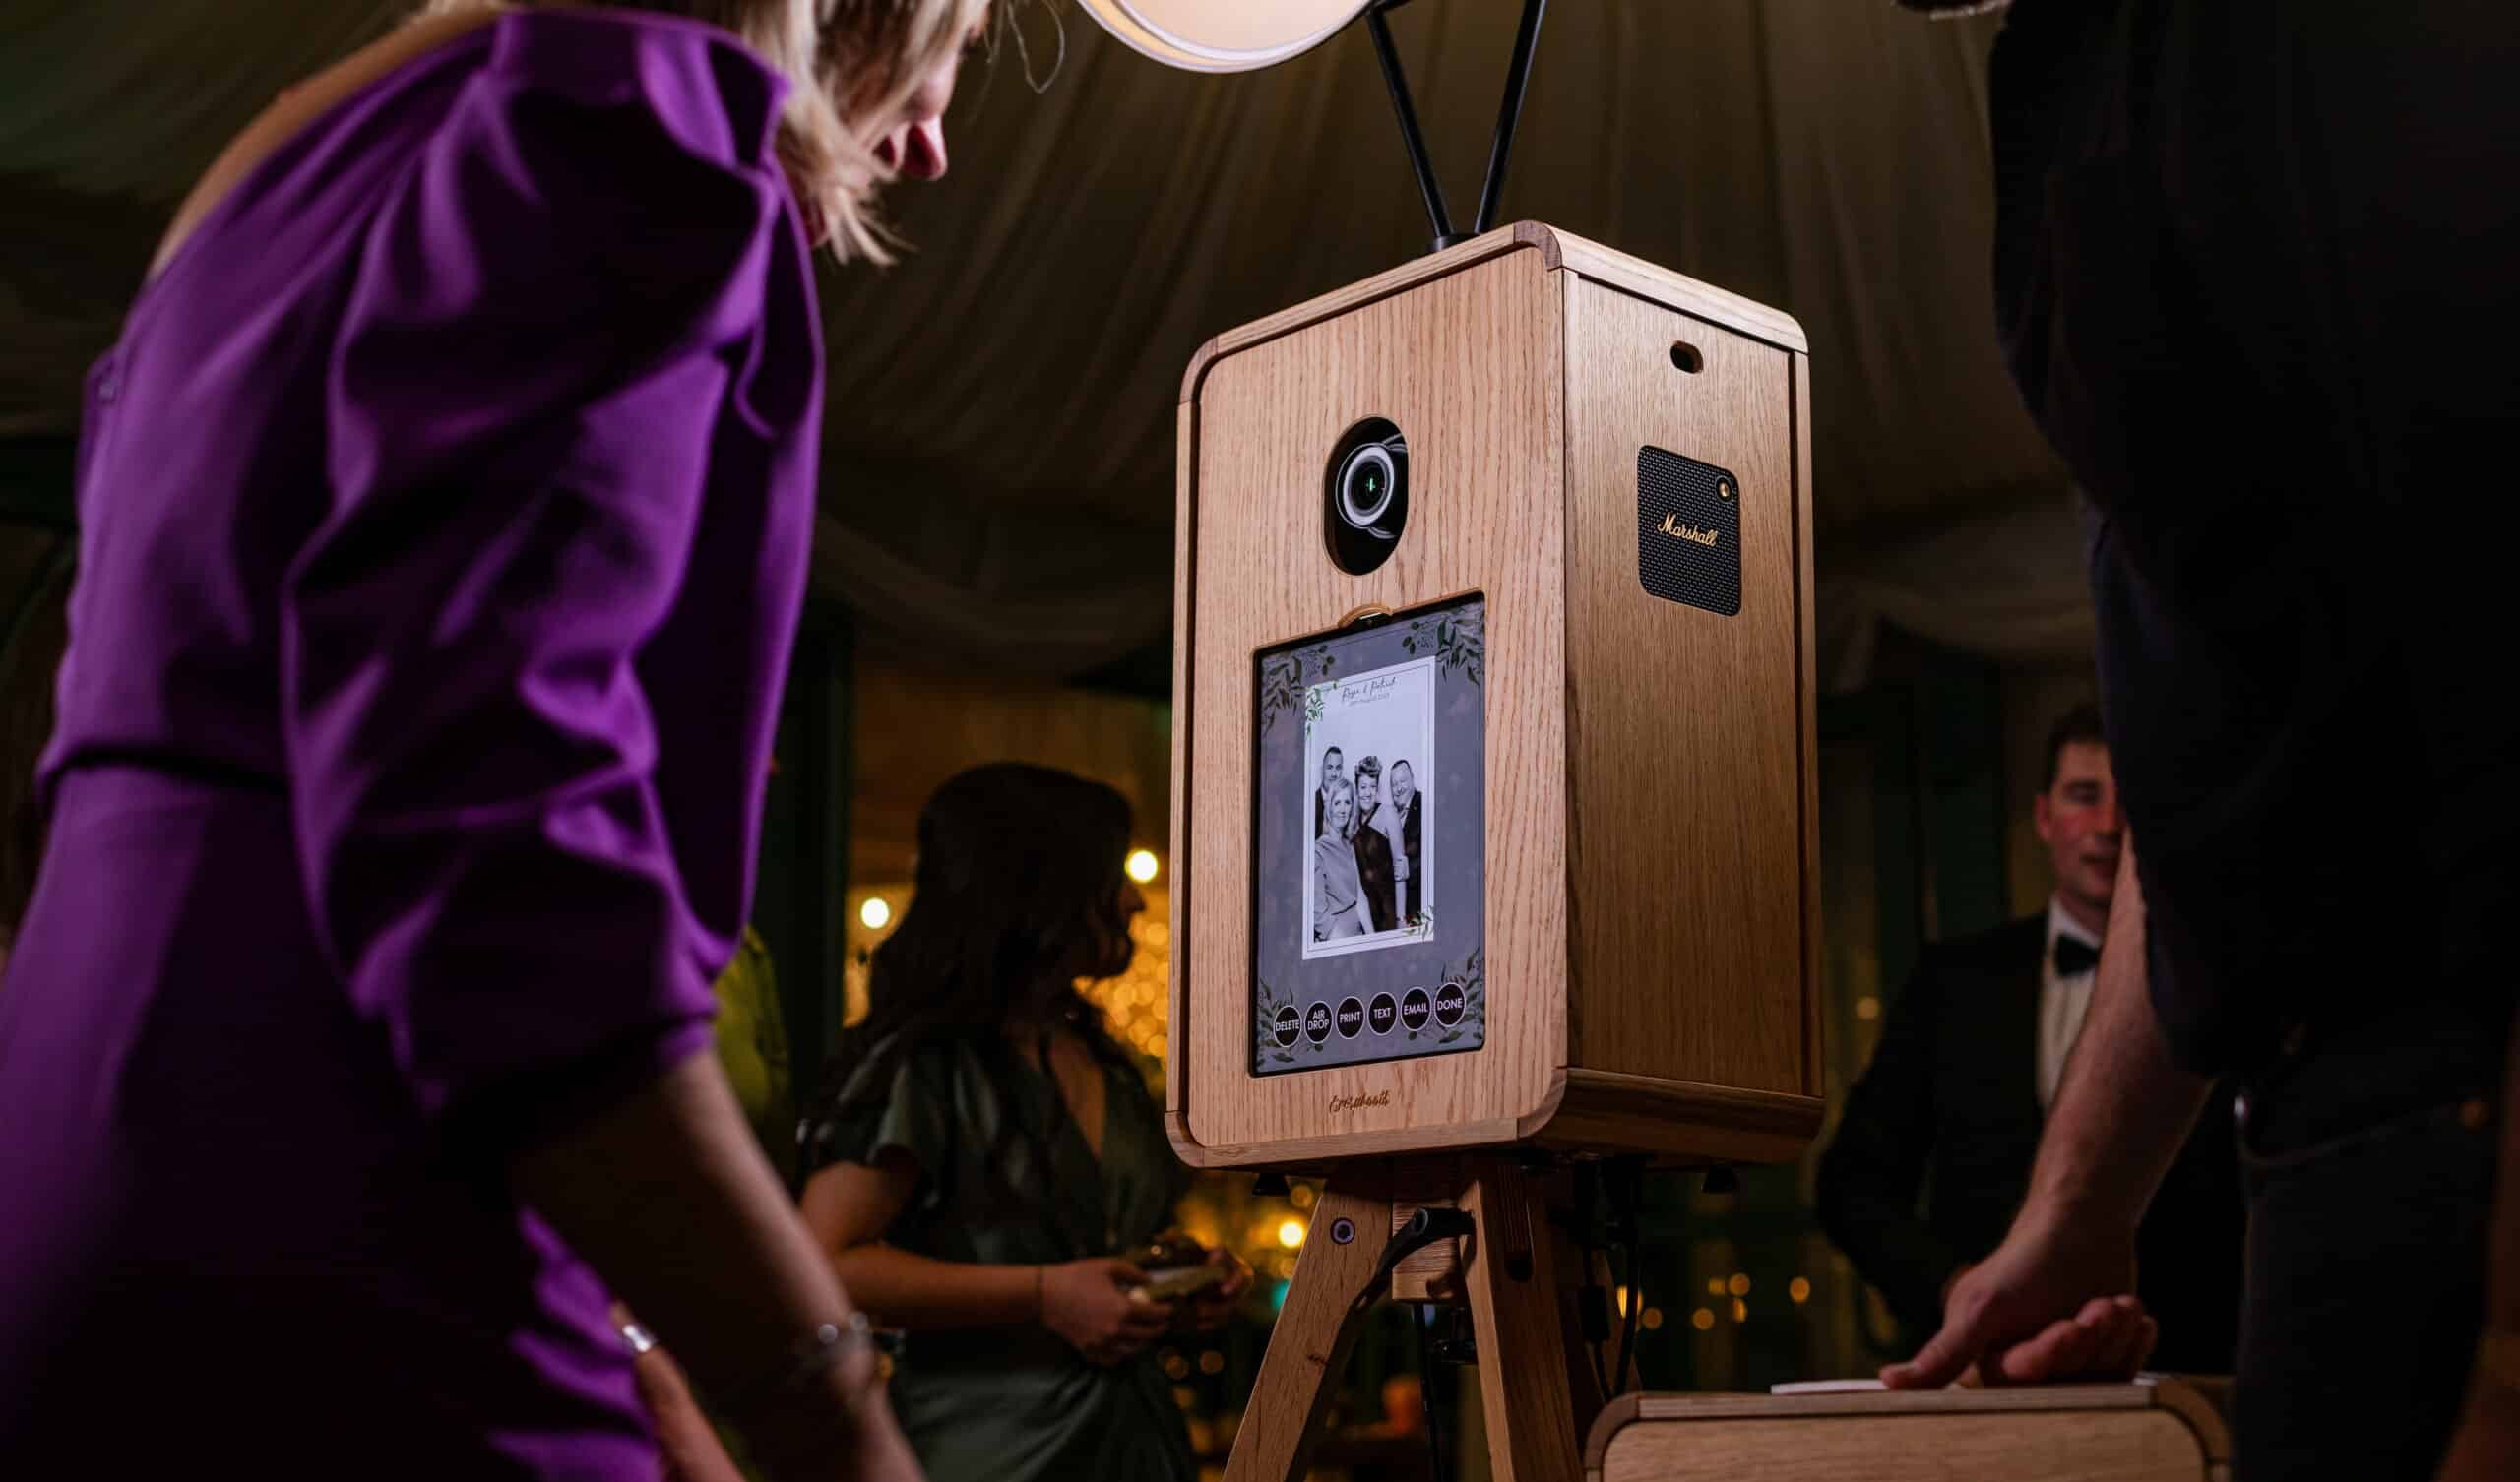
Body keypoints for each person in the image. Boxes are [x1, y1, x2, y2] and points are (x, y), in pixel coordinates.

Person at [0, 2, 990, 1476]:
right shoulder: (631, 120)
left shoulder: (282, 159)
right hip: (341, 1216)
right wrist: (827, 1404)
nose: (927, 141)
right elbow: (487, 849)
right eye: (949, 43)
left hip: (66, 1180)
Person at [1886, 5, 2520, 1479]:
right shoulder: (2074, 63)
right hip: (2324, 1141)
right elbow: (2237, 690)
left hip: (2457, 1124)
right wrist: (2074, 1208)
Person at [795, 764, 1251, 1482]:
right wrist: (1043, 1294)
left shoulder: (1110, 1063)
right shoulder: (926, 1068)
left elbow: (1105, 1246)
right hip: (986, 1453)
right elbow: (825, 1262)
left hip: (1135, 1445)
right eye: (1111, 876)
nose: (1135, 901)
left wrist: (1178, 1280)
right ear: (1041, 888)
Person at [1817, 705, 2240, 1372]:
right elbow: (1851, 1183)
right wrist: (1957, 1289)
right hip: (1976, 1366)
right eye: (2084, 796)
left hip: (2186, 1364)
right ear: (2043, 818)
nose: (2109, 825)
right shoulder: (1953, 982)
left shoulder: (2221, 979)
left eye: (2131, 800)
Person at [1314, 776, 1371, 941]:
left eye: (1347, 802)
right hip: (1337, 939)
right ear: (1329, 807)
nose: (1342, 809)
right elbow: (1320, 916)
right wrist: (1347, 947)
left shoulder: (1349, 846)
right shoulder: (1318, 851)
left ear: (1352, 808)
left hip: (1358, 933)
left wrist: (1373, 940)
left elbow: (1359, 898)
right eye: (1337, 802)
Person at [1350, 755, 1400, 932]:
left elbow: (1401, 872)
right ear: (1356, 788)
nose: (1368, 792)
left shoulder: (1388, 813)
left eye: (1373, 787)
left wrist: (1400, 920)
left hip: (1390, 908)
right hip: (1368, 914)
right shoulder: (1352, 823)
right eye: (1363, 787)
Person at [1384, 758, 1422, 925]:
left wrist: (1411, 868)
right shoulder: (1390, 814)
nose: (1398, 788)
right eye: (1394, 784)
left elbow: (1438, 854)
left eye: (1403, 781)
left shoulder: (1425, 806)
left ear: (1413, 779)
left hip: (1419, 908)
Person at [1316, 746, 1346, 837]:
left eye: (1338, 768)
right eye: (1329, 767)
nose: (1334, 774)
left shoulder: (1347, 805)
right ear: (1322, 770)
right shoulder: (1310, 802)